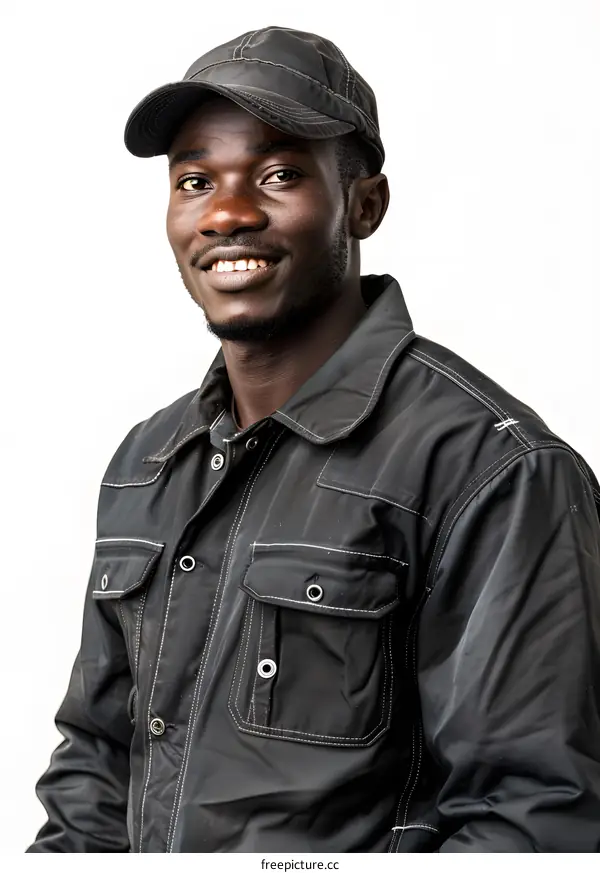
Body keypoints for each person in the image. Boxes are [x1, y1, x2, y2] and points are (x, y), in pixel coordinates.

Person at [27, 26, 600, 854]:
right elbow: (94, 771)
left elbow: (537, 818)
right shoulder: (145, 464)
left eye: (279, 174)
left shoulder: (493, 470)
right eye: (195, 179)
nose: (227, 211)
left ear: (365, 203)